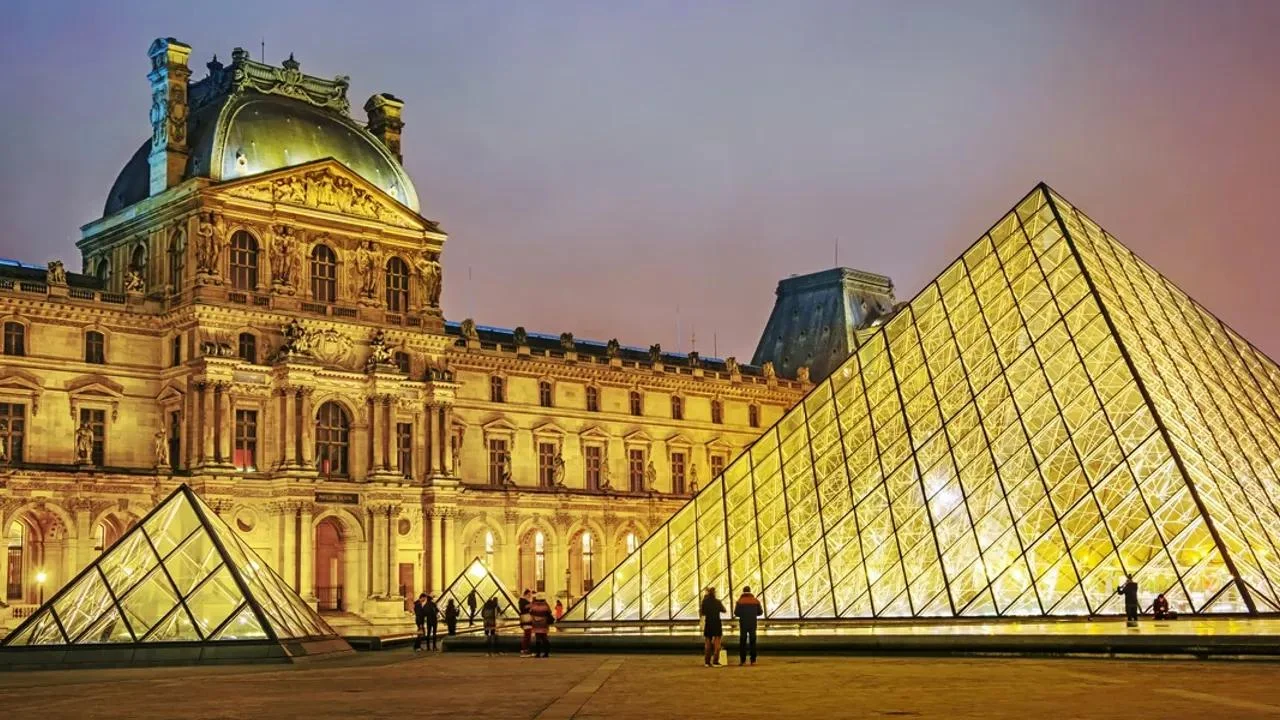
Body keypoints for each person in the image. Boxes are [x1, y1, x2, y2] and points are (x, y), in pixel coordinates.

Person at [733, 586, 763, 666]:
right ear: (750, 591)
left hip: (743, 623)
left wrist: (743, 614)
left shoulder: (740, 601)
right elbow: (760, 612)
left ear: (743, 591)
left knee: (743, 641)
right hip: (753, 623)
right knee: (753, 641)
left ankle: (743, 660)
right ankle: (753, 660)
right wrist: (753, 614)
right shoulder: (756, 601)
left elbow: (736, 613)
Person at [700, 586, 726, 667]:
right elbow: (724, 610)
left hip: (708, 623)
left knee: (707, 644)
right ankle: (715, 661)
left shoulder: (705, 602)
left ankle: (707, 662)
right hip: (716, 623)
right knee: (717, 644)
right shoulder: (717, 602)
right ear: (714, 593)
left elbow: (703, 612)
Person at [529, 592, 554, 657]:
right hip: (544, 623)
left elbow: (531, 612)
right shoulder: (545, 605)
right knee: (544, 637)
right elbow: (549, 612)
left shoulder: (534, 605)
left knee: (537, 638)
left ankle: (538, 653)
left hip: (536, 623)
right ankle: (546, 653)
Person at [519, 589, 534, 657]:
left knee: (528, 635)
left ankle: (525, 649)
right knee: (527, 635)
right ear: (526, 594)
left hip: (527, 619)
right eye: (529, 594)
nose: (530, 596)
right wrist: (531, 605)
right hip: (526, 619)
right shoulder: (522, 601)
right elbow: (523, 608)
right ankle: (525, 650)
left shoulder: (523, 600)